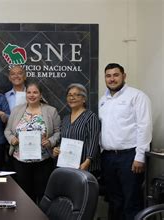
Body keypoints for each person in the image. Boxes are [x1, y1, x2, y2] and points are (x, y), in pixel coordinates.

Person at [99, 63, 152, 220]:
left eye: (116, 75)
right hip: (108, 157)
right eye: (108, 76)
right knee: (115, 201)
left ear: (124, 76)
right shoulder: (103, 100)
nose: (112, 79)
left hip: (129, 157)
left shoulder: (137, 96)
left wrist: (140, 157)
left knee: (131, 201)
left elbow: (144, 127)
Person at [4, 81, 60, 203]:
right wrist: (12, 139)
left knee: (42, 193)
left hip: (43, 161)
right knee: (23, 195)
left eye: (35, 92)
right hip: (20, 161)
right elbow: (8, 130)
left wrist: (50, 141)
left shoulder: (51, 111)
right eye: (29, 92)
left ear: (40, 95)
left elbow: (57, 132)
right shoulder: (17, 110)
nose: (32, 95)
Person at [52, 83, 100, 175]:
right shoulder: (65, 119)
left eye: (77, 95)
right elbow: (62, 140)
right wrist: (56, 149)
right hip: (67, 167)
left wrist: (87, 162)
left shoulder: (90, 117)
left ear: (84, 99)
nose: (72, 98)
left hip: (85, 168)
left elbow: (93, 141)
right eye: (69, 95)